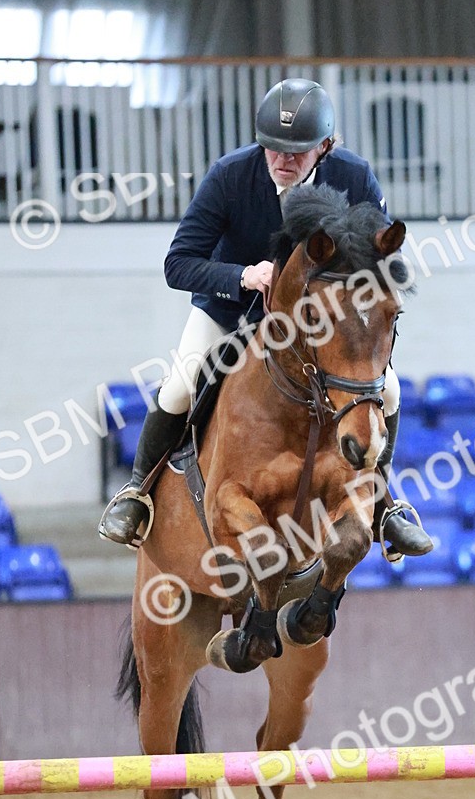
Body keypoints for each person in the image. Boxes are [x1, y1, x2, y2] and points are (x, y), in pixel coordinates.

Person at [100, 78, 431, 558]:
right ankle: (137, 492)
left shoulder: (354, 176)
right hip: (232, 313)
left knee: (391, 390)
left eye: (297, 151)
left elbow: (380, 259)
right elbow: (178, 263)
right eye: (273, 147)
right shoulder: (230, 176)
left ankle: (383, 506)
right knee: (180, 384)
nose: (283, 160)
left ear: (324, 146)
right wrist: (242, 275)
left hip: (318, 325)